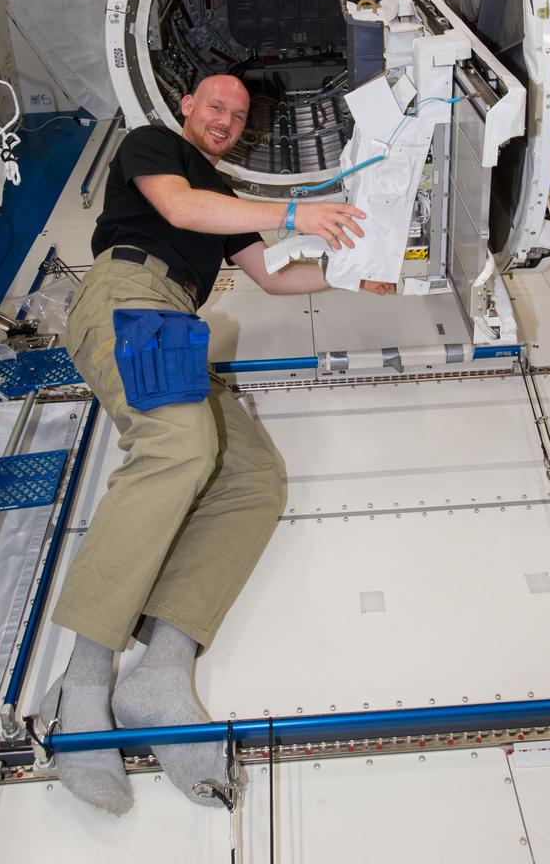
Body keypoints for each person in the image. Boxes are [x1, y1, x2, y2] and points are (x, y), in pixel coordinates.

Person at [41, 74, 392, 816]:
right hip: (128, 296)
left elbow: (269, 277)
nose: (226, 120)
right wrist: (298, 206)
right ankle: (80, 684)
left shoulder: (225, 199)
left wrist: (360, 275)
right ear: (186, 110)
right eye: (216, 107)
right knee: (178, 446)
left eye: (238, 115)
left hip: (174, 327)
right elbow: (176, 207)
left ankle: (160, 672)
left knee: (250, 477)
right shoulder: (154, 148)